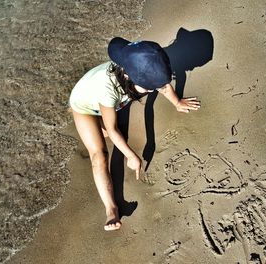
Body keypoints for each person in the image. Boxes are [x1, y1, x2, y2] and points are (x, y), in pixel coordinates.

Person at [69, 37, 201, 231]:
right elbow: (113, 129)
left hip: (112, 102)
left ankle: (100, 124)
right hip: (84, 106)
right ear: (130, 78)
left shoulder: (143, 65)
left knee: (107, 131)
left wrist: (177, 102)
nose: (152, 90)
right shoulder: (107, 88)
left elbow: (163, 85)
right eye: (148, 88)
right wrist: (131, 156)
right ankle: (111, 209)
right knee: (99, 154)